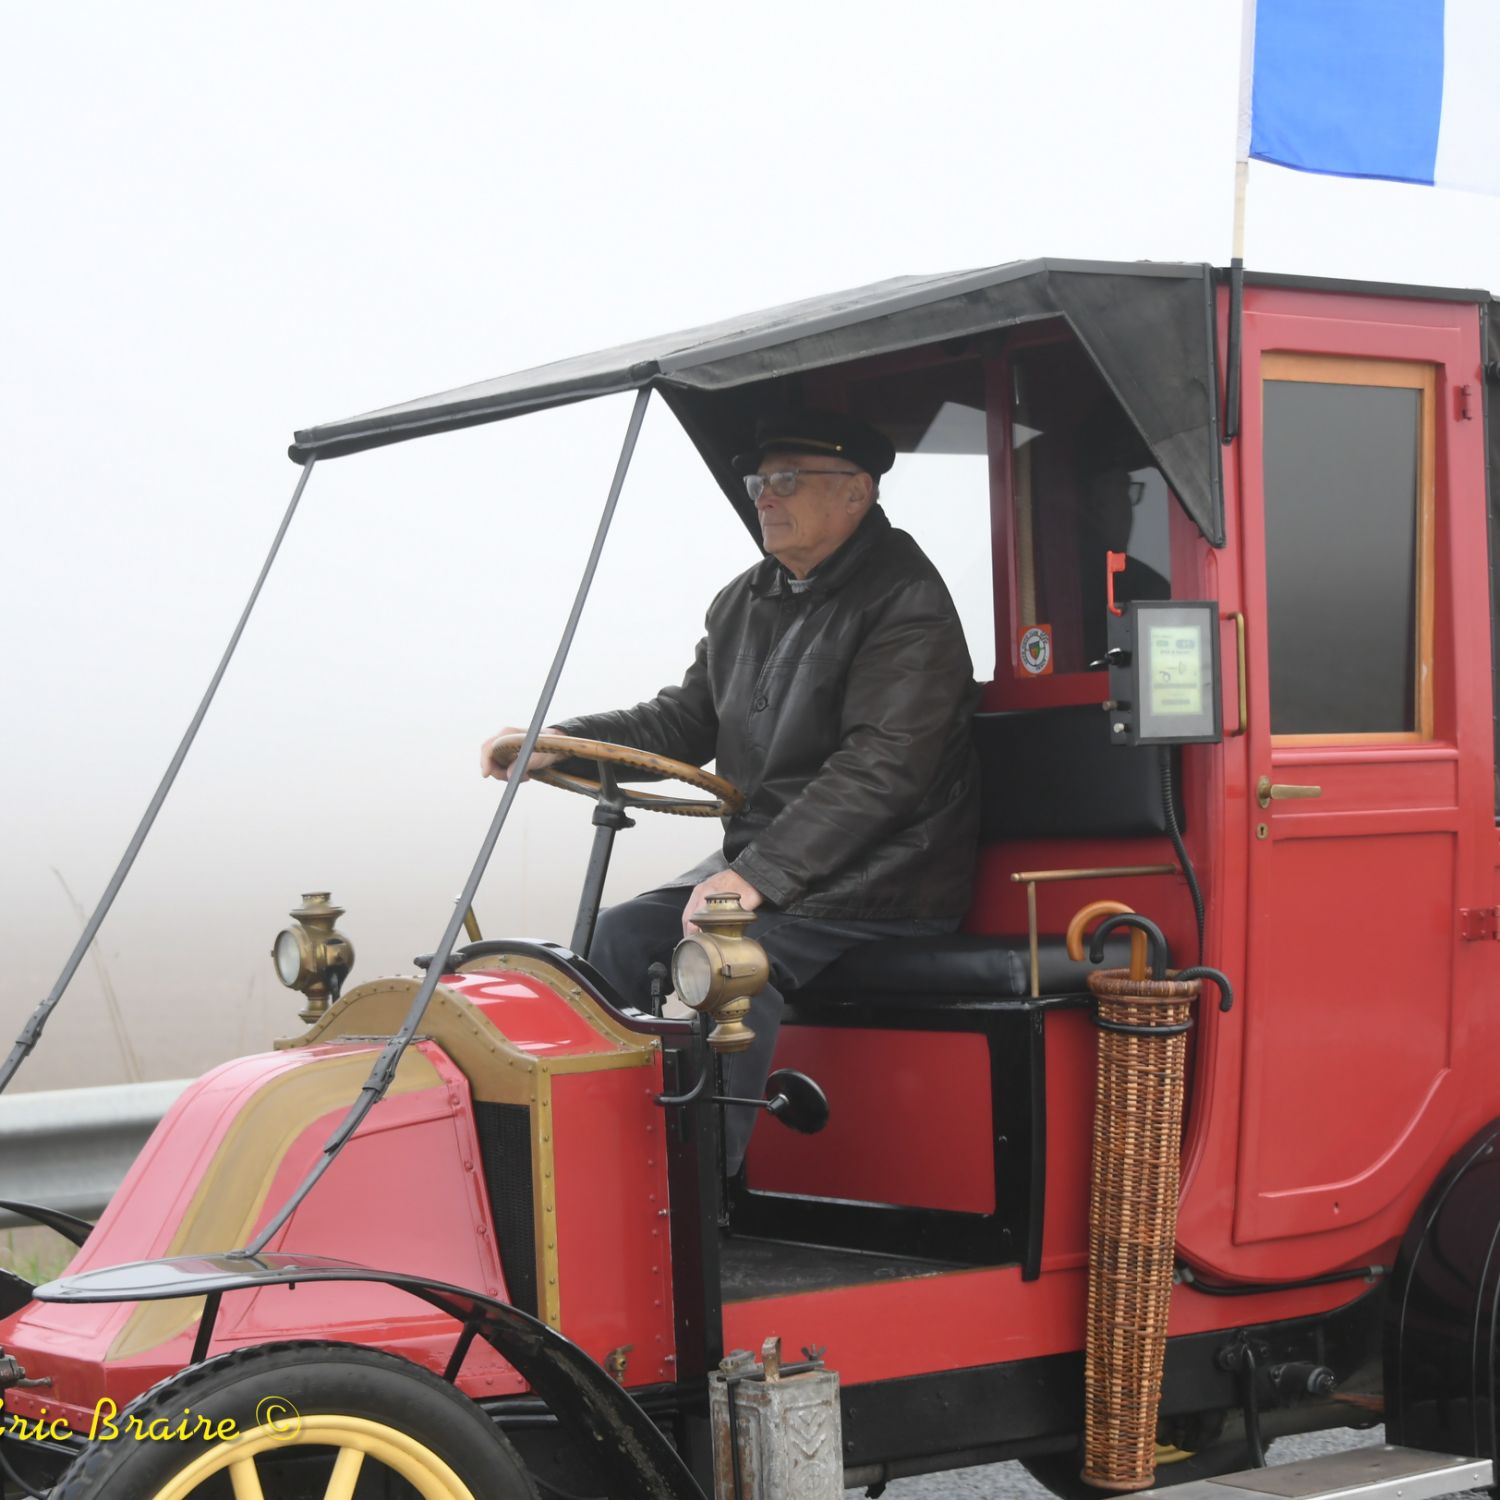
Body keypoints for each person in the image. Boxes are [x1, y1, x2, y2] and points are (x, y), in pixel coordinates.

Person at [480, 410, 981, 1169]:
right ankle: (602, 1164)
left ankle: (704, 1199)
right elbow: (683, 720)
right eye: (758, 483)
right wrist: (557, 740)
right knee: (618, 937)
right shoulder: (745, 599)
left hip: (885, 881)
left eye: (786, 480)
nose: (765, 497)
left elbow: (884, 767)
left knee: (724, 965)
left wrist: (756, 876)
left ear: (856, 493)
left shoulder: (906, 601)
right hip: (779, 871)